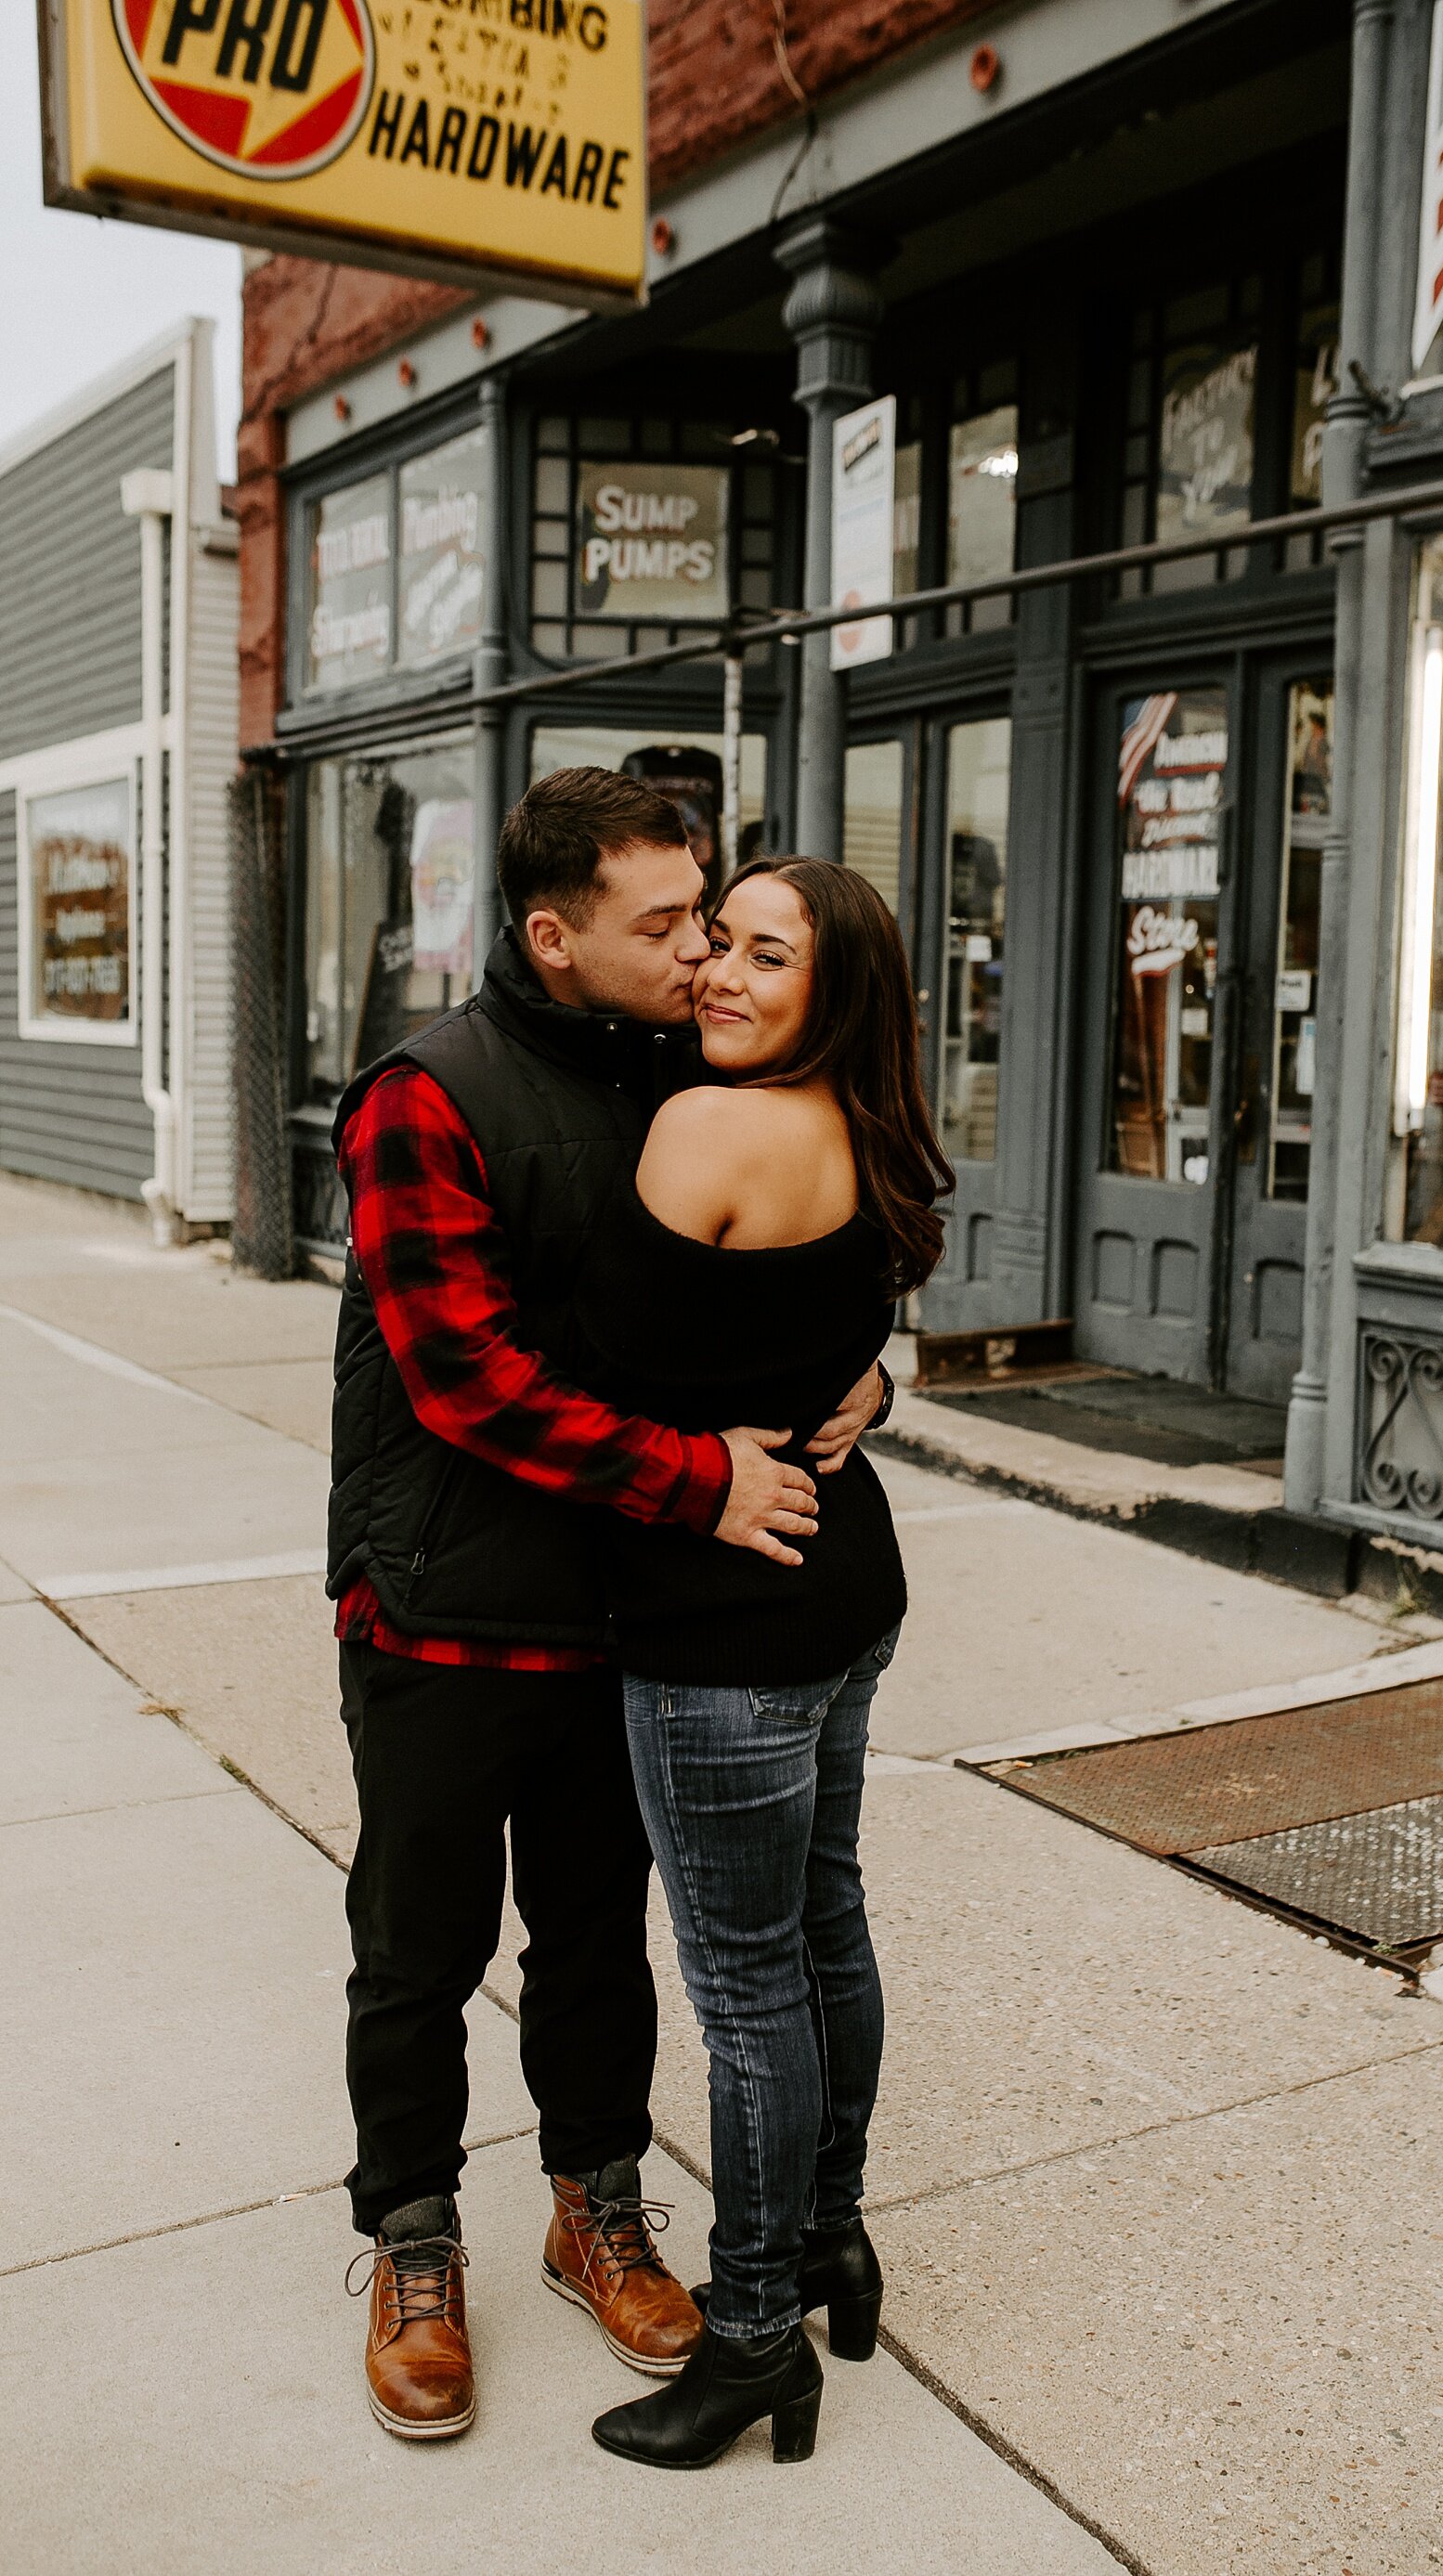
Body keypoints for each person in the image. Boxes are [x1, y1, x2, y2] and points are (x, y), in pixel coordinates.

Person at [328, 773, 890, 2441]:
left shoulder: (688, 1061)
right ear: (551, 933)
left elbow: (795, 1257)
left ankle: (597, 2205)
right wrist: (696, 1482)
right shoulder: (425, 1096)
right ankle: (413, 2243)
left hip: (626, 1621)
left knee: (595, 1945)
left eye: (708, 914)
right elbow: (467, 1382)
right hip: (442, 1599)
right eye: (663, 925)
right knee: (415, 1948)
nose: (699, 948)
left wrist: (870, 1361)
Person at [568, 857, 953, 2471]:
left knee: (743, 1994)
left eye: (761, 954)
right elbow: (839, 1330)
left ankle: (747, 2343)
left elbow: (588, 1379)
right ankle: (829, 2240)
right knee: (825, 1930)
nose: (716, 972)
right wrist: (871, 1374)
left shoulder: (703, 1130)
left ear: (830, 989)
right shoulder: (869, 1131)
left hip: (721, 1617)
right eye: (712, 940)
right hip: (846, 1580)